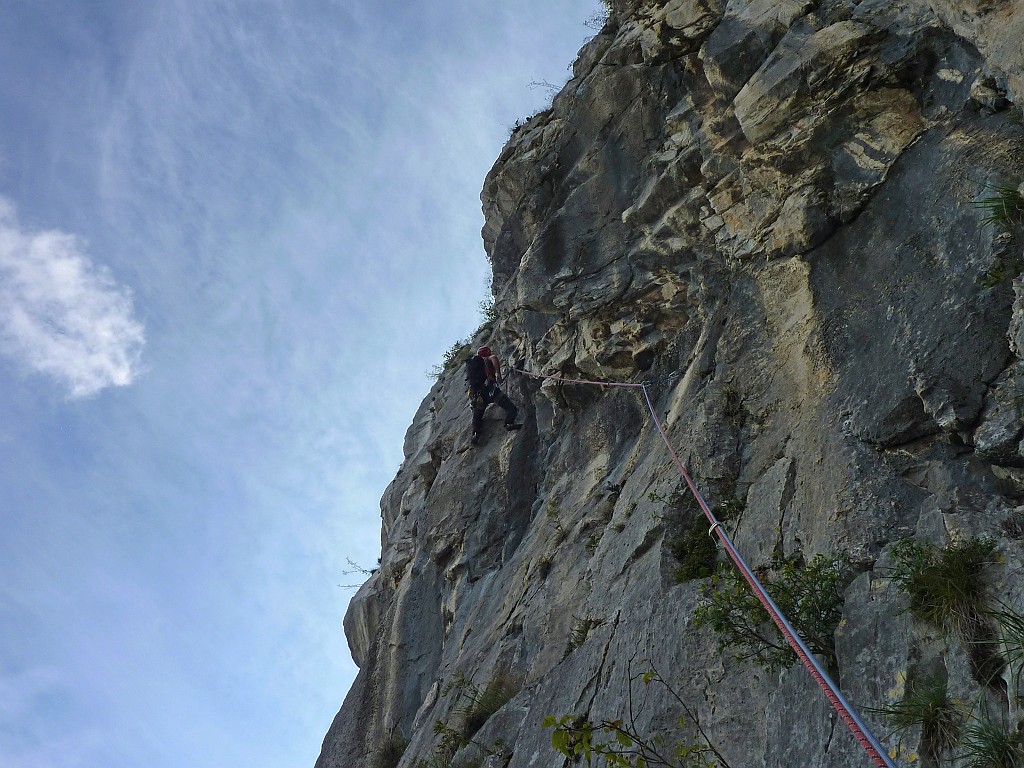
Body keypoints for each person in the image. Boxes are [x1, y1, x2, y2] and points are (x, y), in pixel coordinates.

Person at [466, 345, 522, 445]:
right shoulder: (487, 359)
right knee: (510, 407)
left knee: (477, 416)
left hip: (476, 396)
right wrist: (498, 374)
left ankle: (475, 433)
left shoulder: (472, 366)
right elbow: (494, 358)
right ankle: (509, 423)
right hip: (489, 390)